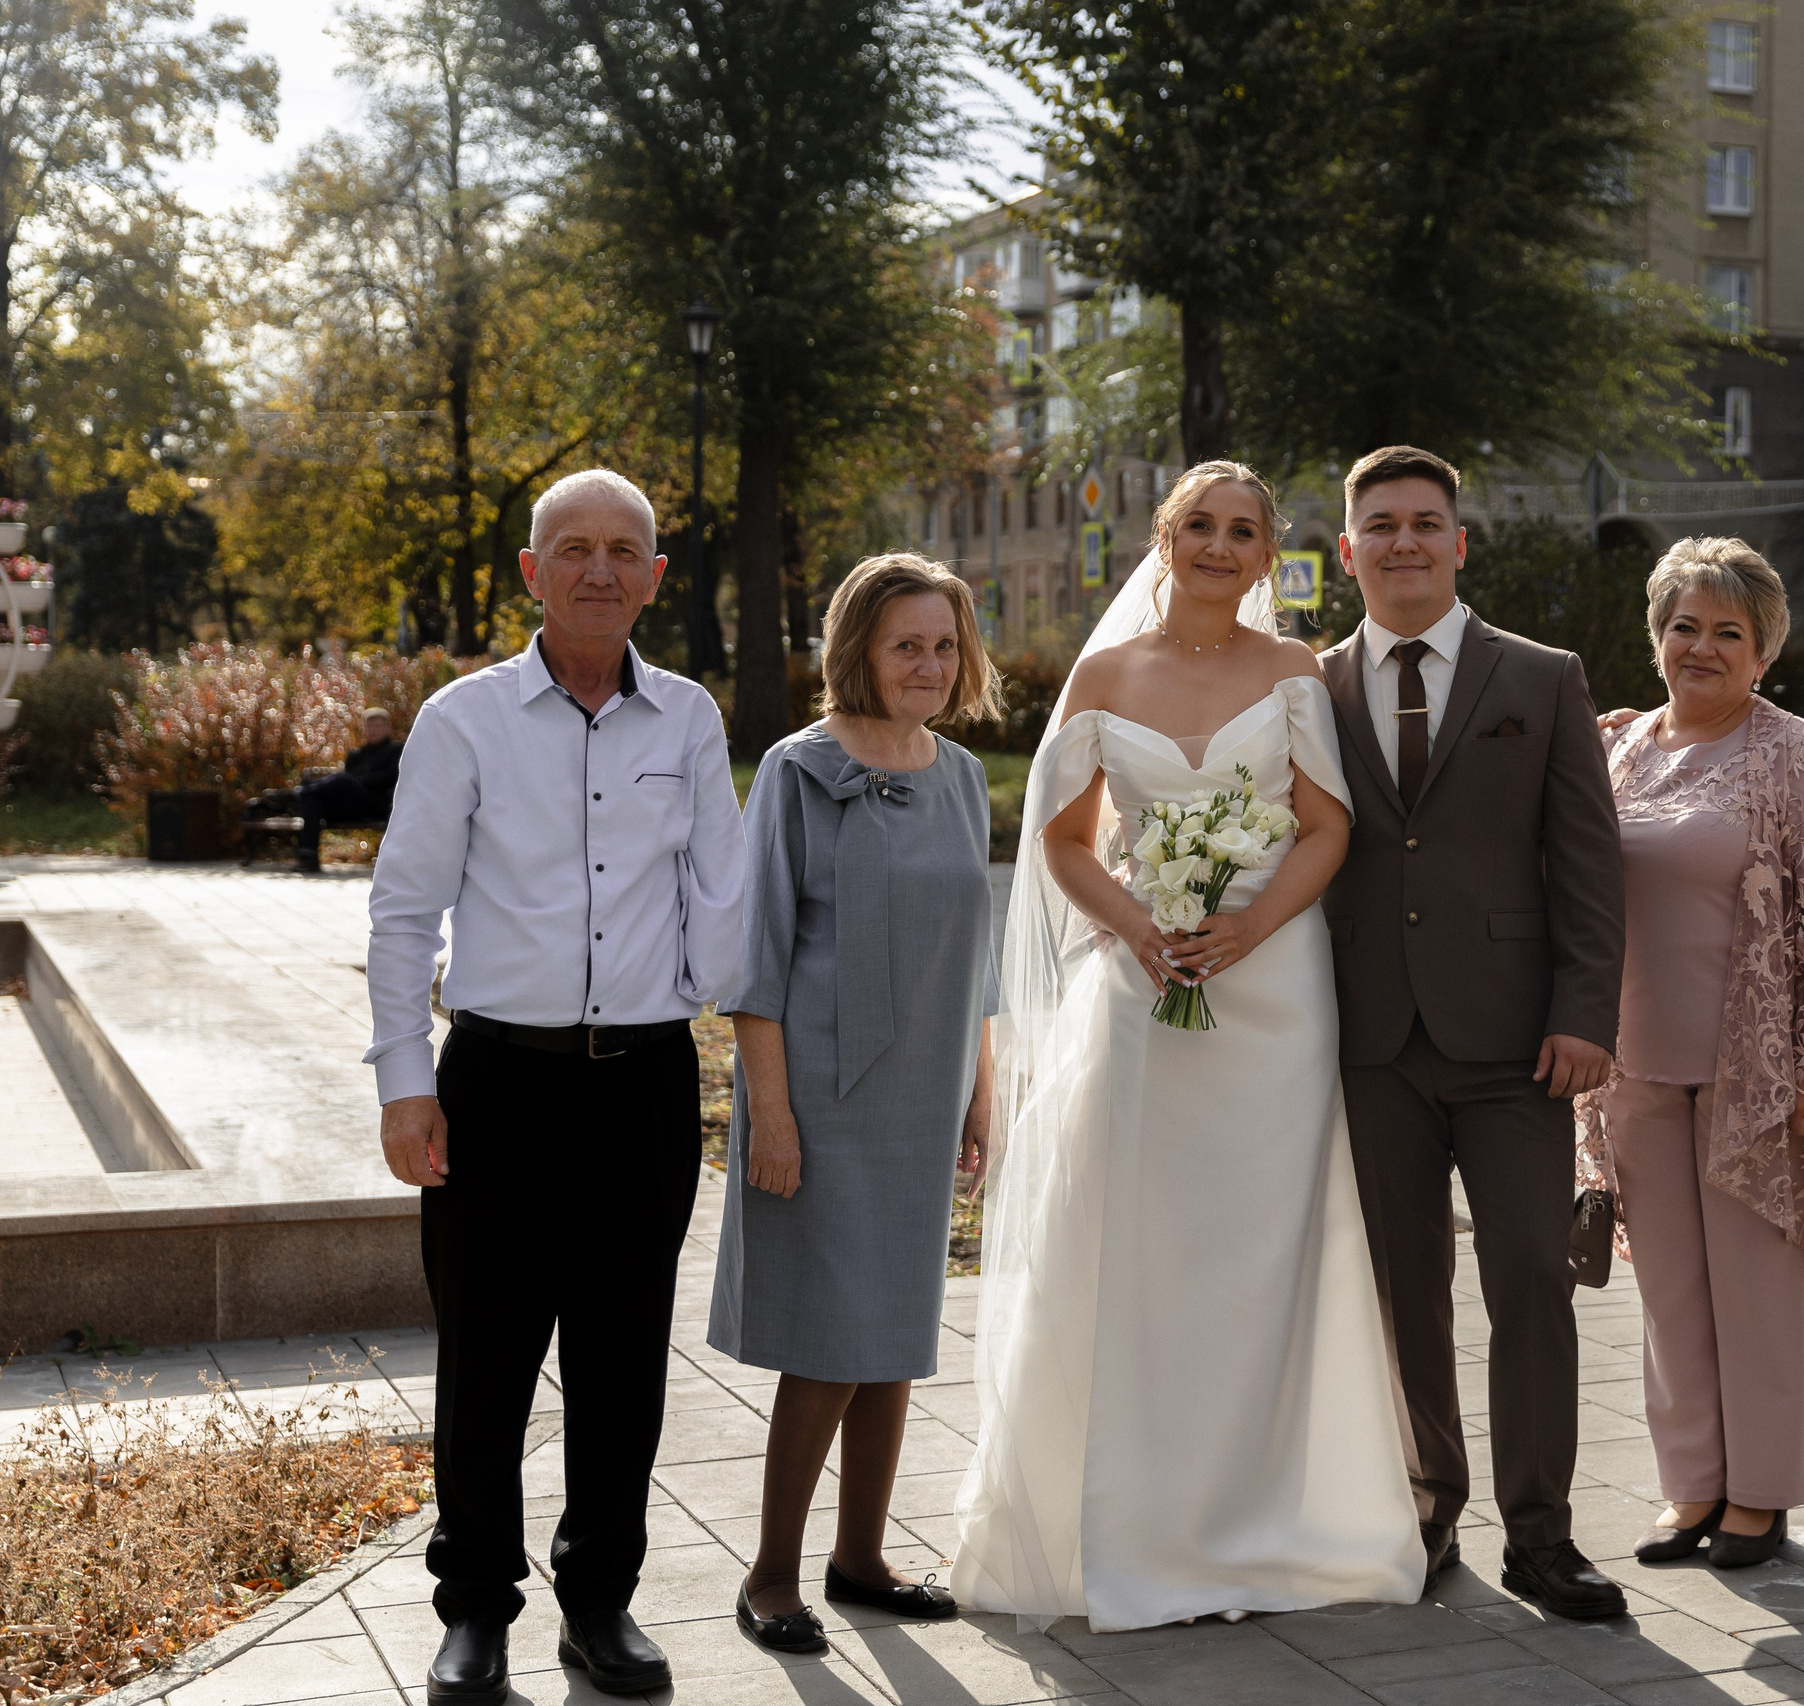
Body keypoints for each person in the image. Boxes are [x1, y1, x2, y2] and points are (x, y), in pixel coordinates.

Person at [951, 460, 1424, 1631]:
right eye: (1199, 525)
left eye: (1242, 530)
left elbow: (1326, 827)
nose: (1220, 545)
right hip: (1142, 983)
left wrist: (1247, 929)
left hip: (1275, 994)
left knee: (1270, 1246)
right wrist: (1138, 927)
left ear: (1268, 554)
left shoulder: (1292, 671)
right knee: (1143, 1244)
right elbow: (1064, 841)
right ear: (1164, 540)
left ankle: (1268, 1519)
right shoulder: (1105, 675)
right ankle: (1141, 1522)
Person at [364, 468, 749, 1703]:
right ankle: (475, 1607)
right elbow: (403, 908)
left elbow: (722, 884)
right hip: (496, 1087)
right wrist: (405, 1079)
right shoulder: (463, 719)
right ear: (531, 572)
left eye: (623, 549)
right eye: (573, 548)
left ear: (655, 576)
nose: (599, 569)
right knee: (485, 1360)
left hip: (644, 1086)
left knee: (623, 1361)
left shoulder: (688, 718)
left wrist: (694, 993)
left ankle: (599, 1603)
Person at [1317, 445, 1629, 1621]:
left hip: (1515, 1047)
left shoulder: (1541, 677)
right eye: (1380, 524)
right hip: (1368, 1042)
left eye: (1423, 521)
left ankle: (1541, 1535)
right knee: (1403, 1292)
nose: (1402, 540)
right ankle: (1425, 1509)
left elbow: (1588, 859)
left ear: (1459, 541)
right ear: (1347, 550)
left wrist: (1585, 1013)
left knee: (1534, 1282)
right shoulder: (1308, 686)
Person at [714, 554, 1003, 1651]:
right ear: (857, 652)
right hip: (821, 1096)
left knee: (894, 1330)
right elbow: (754, 961)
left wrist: (980, 1090)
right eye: (905, 645)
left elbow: (972, 955)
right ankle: (770, 1575)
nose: (928, 664)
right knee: (831, 1339)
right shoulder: (797, 770)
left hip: (925, 1093)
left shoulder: (961, 775)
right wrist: (772, 1115)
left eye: (944, 645)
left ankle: (861, 1557)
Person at [1580, 538, 1804, 1572]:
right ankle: (1691, 1482)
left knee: (1755, 1289)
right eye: (1683, 626)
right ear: (1656, 636)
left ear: (1763, 651)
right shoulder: (1620, 747)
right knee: (1668, 1291)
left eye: (1726, 632)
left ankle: (1759, 1494)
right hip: (1632, 1062)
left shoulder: (1795, 754)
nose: (1700, 647)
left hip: (1757, 1068)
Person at [255, 706, 403, 873]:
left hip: (376, 804)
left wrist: (356, 782)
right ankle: (308, 858)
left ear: (387, 727)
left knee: (343, 779)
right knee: (313, 800)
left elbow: (388, 777)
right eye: (369, 726)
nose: (373, 730)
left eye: (377, 726)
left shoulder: (396, 750)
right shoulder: (357, 754)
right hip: (351, 806)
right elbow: (346, 788)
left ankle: (296, 794)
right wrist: (353, 782)